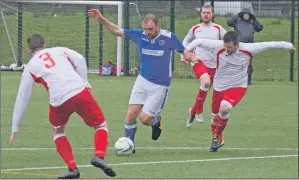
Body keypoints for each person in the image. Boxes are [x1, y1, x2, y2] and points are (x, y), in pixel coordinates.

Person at [88, 9, 197, 153]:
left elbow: (184, 51)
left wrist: (193, 58)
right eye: (145, 29)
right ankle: (130, 145)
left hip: (160, 86)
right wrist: (102, 18)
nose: (147, 32)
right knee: (131, 113)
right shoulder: (139, 35)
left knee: (144, 119)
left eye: (150, 29)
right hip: (142, 80)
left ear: (158, 26)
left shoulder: (169, 37)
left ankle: (156, 122)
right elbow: (117, 31)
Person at [9, 34, 116, 179]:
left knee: (58, 132)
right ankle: (99, 156)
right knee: (101, 125)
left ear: (29, 50)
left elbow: (23, 96)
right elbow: (80, 59)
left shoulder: (30, 67)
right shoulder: (60, 50)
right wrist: (85, 81)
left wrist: (15, 128)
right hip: (79, 91)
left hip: (58, 100)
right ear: (45, 45)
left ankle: (72, 169)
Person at [183, 31, 295, 152]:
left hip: (238, 86)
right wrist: (186, 52)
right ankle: (217, 135)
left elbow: (269, 44)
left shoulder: (248, 49)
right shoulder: (217, 46)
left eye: (229, 47)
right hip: (219, 87)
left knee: (224, 109)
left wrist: (288, 45)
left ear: (237, 45)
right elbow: (198, 41)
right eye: (225, 46)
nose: (226, 49)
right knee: (215, 118)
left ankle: (215, 138)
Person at [182, 4, 227, 132]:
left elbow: (229, 41)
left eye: (208, 12)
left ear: (212, 14)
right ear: (200, 14)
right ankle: (199, 111)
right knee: (206, 82)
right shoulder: (195, 29)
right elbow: (185, 42)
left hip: (214, 65)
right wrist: (184, 54)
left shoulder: (218, 29)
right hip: (198, 61)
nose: (206, 15)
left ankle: (193, 111)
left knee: (205, 88)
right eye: (203, 12)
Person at [227, 8, 264, 85]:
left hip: (249, 46)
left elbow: (259, 28)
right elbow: (229, 22)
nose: (246, 15)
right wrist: (237, 15)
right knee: (236, 62)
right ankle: (235, 80)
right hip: (238, 46)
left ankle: (248, 80)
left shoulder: (252, 22)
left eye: (248, 14)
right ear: (242, 14)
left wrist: (255, 19)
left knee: (248, 63)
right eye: (245, 14)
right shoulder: (237, 21)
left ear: (250, 15)